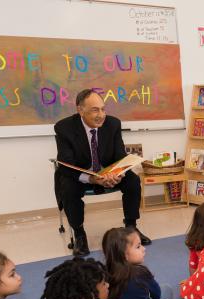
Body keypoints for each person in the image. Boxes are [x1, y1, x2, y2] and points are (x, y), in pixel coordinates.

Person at [54, 89, 151, 257]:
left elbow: (120, 156)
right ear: (80, 110)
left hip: (108, 172)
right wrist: (93, 179)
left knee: (132, 181)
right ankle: (79, 234)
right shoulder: (64, 128)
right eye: (95, 110)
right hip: (81, 176)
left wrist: (117, 173)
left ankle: (131, 228)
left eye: (103, 109)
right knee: (68, 187)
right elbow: (66, 165)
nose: (101, 115)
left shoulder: (113, 124)